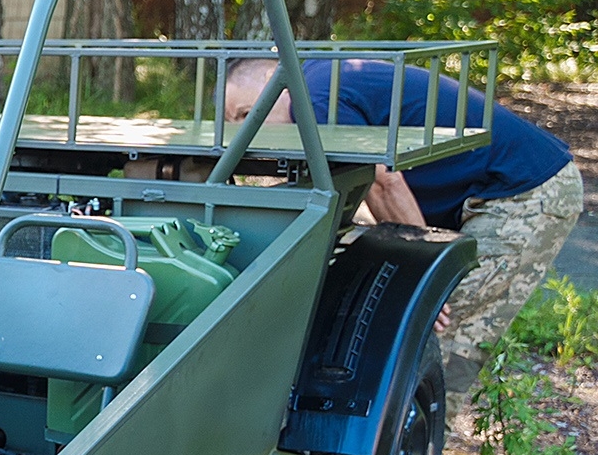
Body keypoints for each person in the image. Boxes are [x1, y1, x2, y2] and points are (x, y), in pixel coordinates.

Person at [222, 55, 580, 388]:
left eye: (248, 114)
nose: (246, 130)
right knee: (423, 317)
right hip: (482, 190)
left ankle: (425, 436)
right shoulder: (316, 80)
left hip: (524, 191)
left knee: (438, 317)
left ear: (274, 81)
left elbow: (382, 182)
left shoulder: (314, 101)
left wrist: (426, 277)